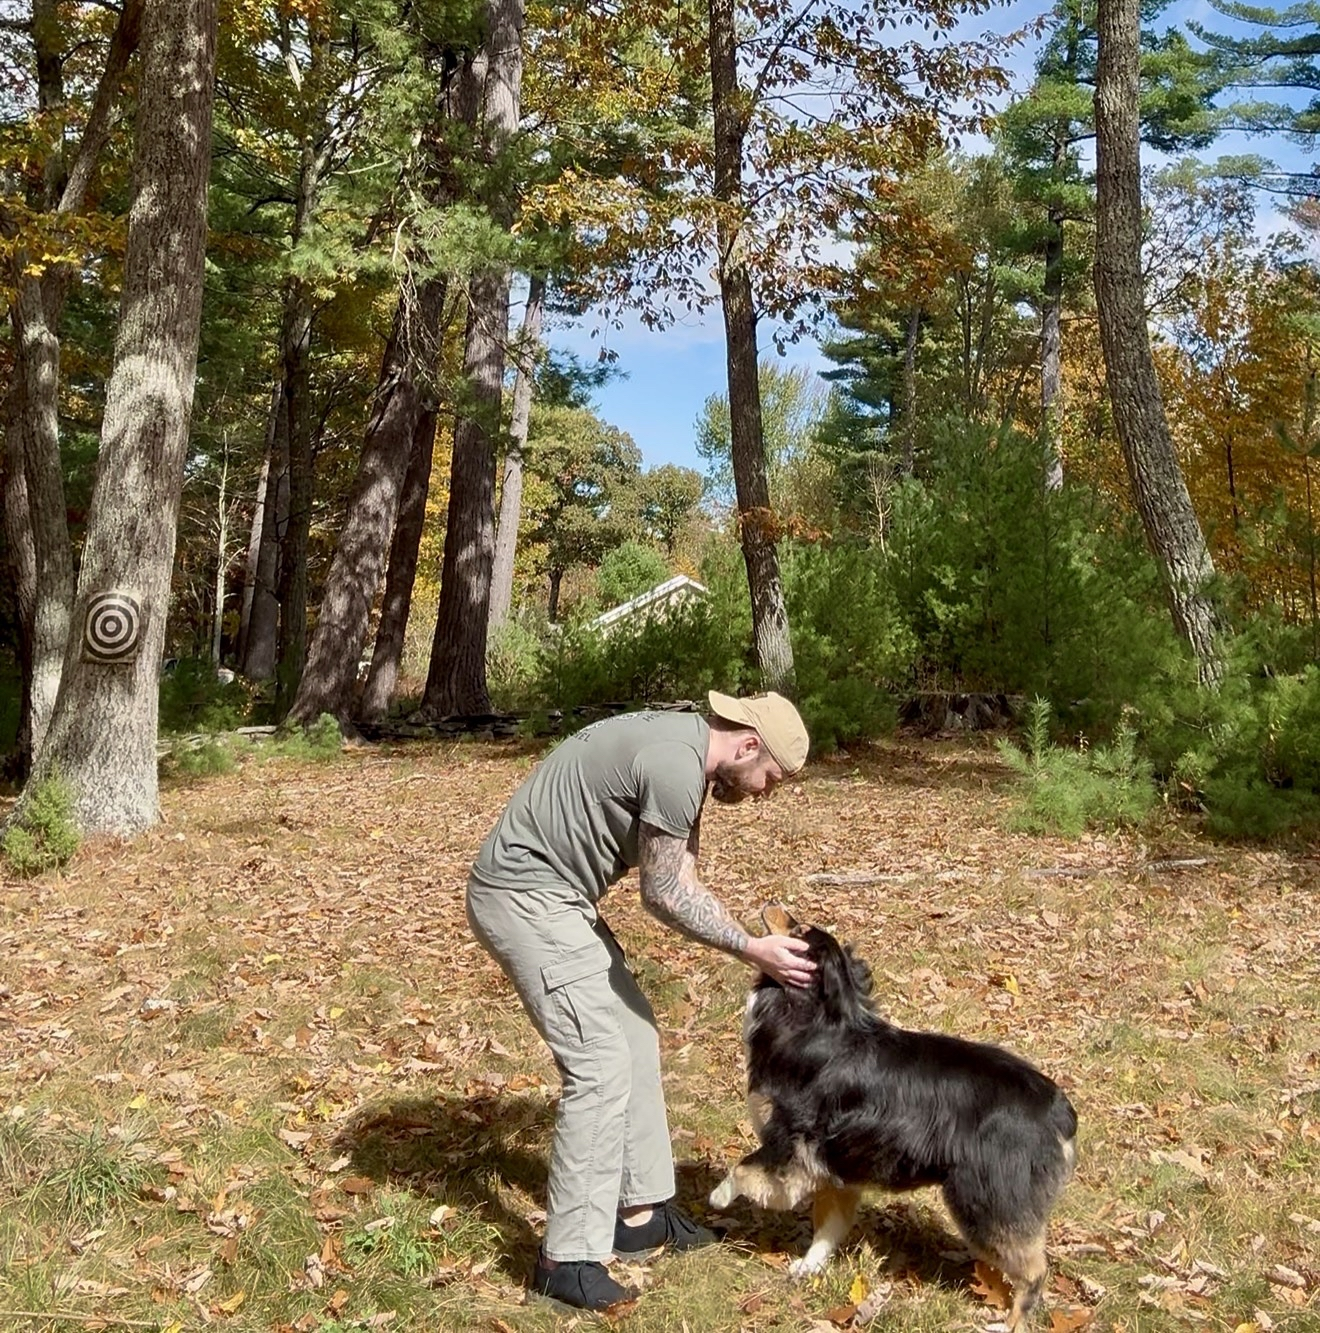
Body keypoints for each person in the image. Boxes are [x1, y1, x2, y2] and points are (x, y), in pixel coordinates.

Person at [465, 689, 815, 1311]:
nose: (765, 793)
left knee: (634, 1033)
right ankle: (566, 1260)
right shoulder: (675, 765)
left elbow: (683, 876)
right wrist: (751, 948)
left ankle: (639, 1215)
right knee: (599, 1064)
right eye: (771, 779)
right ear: (748, 746)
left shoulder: (689, 756)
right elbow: (664, 893)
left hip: (560, 899)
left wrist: (748, 942)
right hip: (525, 897)